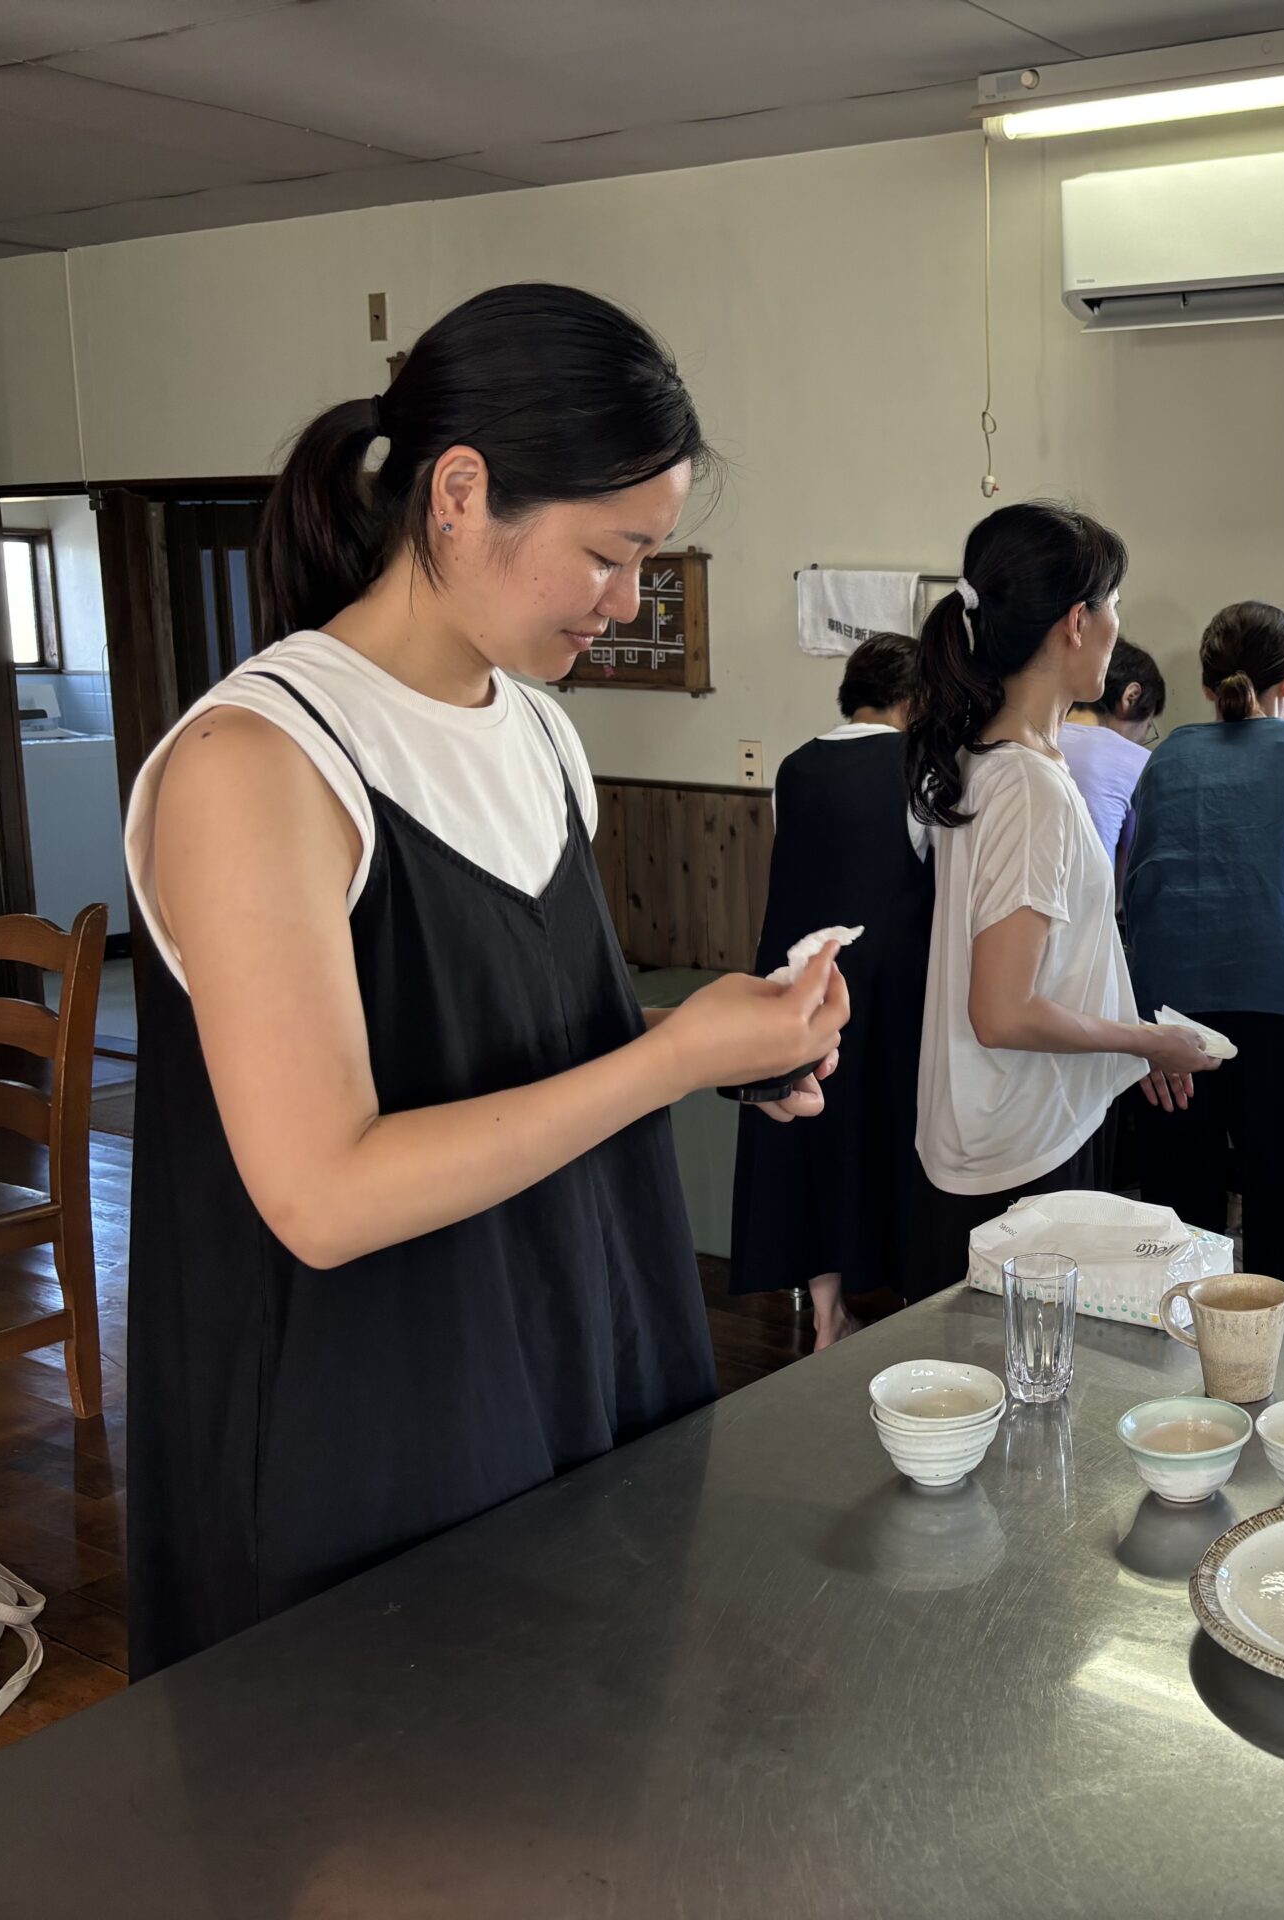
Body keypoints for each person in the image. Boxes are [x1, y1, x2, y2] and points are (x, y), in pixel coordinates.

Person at [120, 284, 848, 1675]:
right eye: (611, 554)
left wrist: (720, 1047)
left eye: (650, 559)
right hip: (372, 1431)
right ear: (459, 494)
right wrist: (668, 1060)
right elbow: (323, 1194)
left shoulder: (540, 736)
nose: (629, 602)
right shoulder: (259, 760)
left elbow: (495, 1044)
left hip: (578, 1356)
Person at [907, 502, 1218, 1283]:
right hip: (1018, 1144)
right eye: (1115, 605)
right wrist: (1143, 1043)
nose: (1117, 625)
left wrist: (1130, 1040)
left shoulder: (1003, 757)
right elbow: (1003, 1011)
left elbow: (1059, 959)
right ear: (1076, 622)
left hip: (1015, 1126)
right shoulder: (1026, 785)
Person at [1122, 601, 1284, 1295]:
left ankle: (1175, 1343)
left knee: (1179, 1220)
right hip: (1279, 1005)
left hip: (1170, 1018)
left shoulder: (1164, 758)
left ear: (1206, 686)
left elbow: (1141, 884)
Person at [729, 631, 932, 1348]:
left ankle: (825, 1317)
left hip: (797, 986)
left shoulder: (795, 766)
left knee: (813, 1143)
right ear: (915, 700)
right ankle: (910, 1299)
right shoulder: (920, 766)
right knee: (894, 1138)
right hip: (887, 990)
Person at [1061, 636, 1166, 868]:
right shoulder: (1138, 762)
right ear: (1131, 697)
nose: (1142, 740)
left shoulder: (1034, 739)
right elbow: (1131, 868)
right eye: (1147, 726)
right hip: (1092, 891)